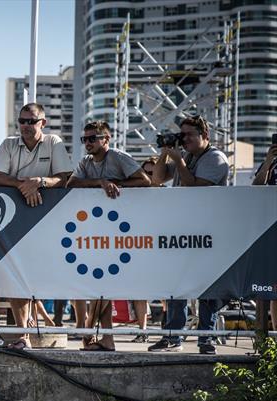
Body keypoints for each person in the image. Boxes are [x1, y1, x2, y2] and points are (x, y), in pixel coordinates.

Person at [0, 103, 72, 349]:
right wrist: (25, 186)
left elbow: (65, 178)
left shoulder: (54, 142)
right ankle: (23, 333)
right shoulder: (8, 144)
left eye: (31, 121)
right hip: (16, 218)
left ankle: (87, 333)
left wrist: (40, 182)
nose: (26, 126)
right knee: (18, 277)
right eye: (22, 121)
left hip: (50, 220)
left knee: (55, 275)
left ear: (42, 123)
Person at [148, 115, 230, 354]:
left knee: (208, 289)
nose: (184, 140)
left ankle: (206, 338)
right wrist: (165, 153)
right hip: (182, 230)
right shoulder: (184, 156)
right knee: (176, 285)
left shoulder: (215, 158)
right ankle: (173, 336)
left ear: (205, 136)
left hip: (209, 233)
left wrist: (179, 162)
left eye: (189, 135)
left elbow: (196, 187)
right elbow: (157, 178)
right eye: (181, 135)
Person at [68, 121, 151, 351]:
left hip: (124, 231)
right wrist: (100, 183)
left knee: (103, 289)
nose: (87, 143)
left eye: (92, 138)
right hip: (99, 231)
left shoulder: (118, 157)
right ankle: (105, 338)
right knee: (100, 288)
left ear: (106, 138)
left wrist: (116, 184)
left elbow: (145, 181)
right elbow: (71, 183)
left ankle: (92, 334)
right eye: (84, 139)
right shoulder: (85, 162)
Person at [251, 139, 277, 331]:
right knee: (273, 289)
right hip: (270, 230)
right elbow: (257, 186)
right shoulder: (272, 162)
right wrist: (268, 161)